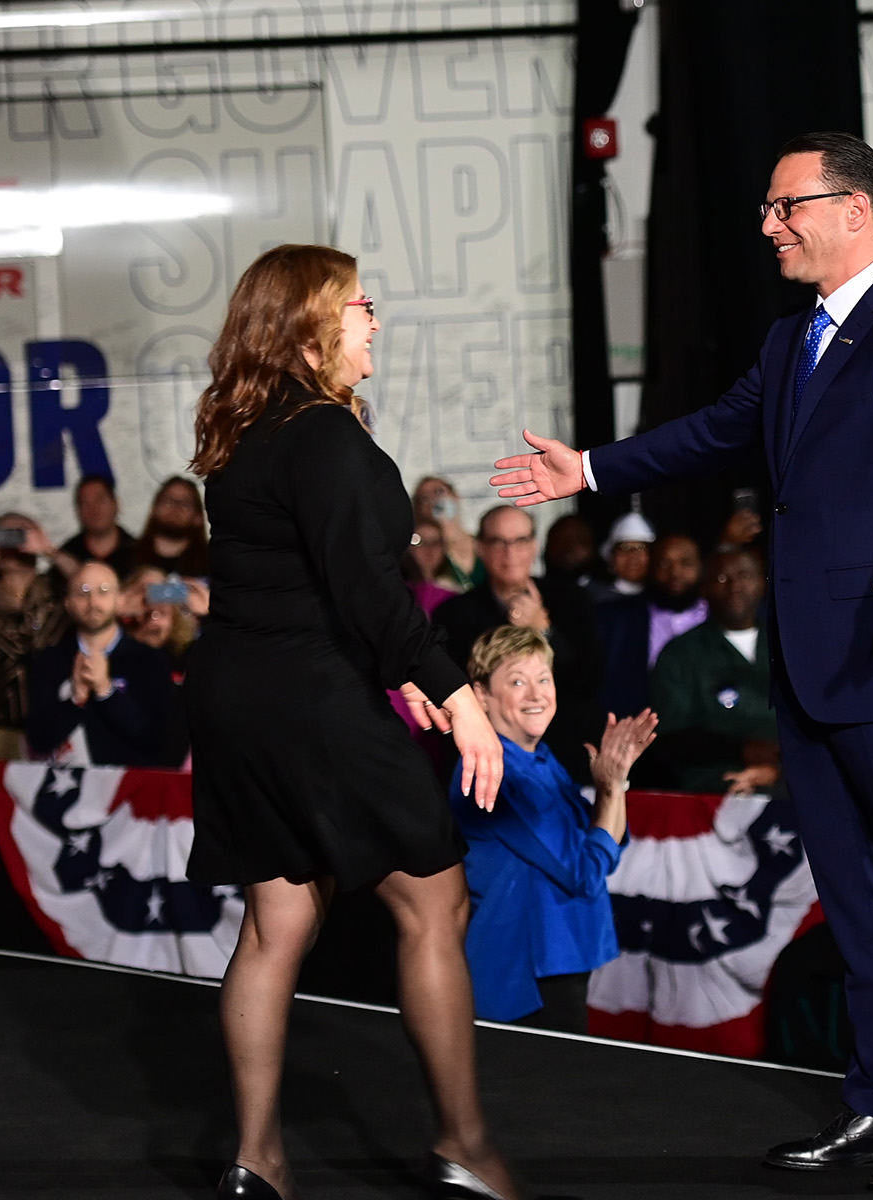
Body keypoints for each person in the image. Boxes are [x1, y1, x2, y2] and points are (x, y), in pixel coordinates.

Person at [490, 132, 873, 1186]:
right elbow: (714, 431)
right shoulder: (787, 342)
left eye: (785, 206)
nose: (768, 225)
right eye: (766, 208)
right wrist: (587, 468)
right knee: (856, 903)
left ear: (854, 209)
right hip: (812, 671)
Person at [183, 245, 521, 1200]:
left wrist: (399, 679)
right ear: (309, 324)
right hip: (305, 694)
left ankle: (258, 1160)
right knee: (434, 899)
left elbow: (306, 583)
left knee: (276, 919)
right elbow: (367, 589)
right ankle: (465, 1145)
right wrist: (458, 698)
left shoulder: (250, 428)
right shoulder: (325, 434)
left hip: (239, 691)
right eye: (360, 303)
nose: (375, 318)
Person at [453, 626, 656, 1031]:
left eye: (543, 679)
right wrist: (610, 792)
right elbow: (587, 868)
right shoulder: (495, 773)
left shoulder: (540, 759)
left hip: (562, 956)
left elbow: (609, 844)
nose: (536, 694)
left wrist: (613, 786)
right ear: (481, 695)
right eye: (516, 681)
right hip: (525, 973)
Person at [434, 505, 604, 782]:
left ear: (534, 546)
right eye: (498, 542)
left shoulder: (572, 599)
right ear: (481, 548)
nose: (510, 552)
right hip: (490, 762)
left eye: (520, 541)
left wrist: (544, 630)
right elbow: (457, 690)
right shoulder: (453, 613)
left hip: (566, 754)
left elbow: (589, 678)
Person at [644, 546, 779, 795]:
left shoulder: (789, 645)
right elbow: (669, 738)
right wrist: (742, 750)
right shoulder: (680, 653)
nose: (734, 586)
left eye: (745, 575)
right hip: (714, 792)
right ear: (704, 588)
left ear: (763, 583)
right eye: (721, 578)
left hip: (790, 786)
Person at [25, 562, 178, 766]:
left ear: (120, 600)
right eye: (83, 592)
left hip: (127, 790)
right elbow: (39, 741)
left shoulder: (150, 660)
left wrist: (106, 691)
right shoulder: (49, 661)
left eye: (104, 591)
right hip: (67, 791)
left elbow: (155, 738)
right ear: (68, 603)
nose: (93, 601)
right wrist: (76, 698)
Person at [0, 514, 71, 764]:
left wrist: (50, 549)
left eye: (20, 534)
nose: (13, 544)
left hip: (53, 718)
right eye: (4, 535)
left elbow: (90, 584)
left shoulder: (56, 588)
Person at [594, 531, 705, 719]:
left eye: (685, 563)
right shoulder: (617, 618)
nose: (674, 573)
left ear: (702, 567)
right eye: (664, 563)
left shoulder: (718, 615)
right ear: (650, 567)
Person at [59, 474, 140, 580]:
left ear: (116, 504)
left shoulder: (139, 553)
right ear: (77, 511)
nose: (94, 510)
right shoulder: (68, 553)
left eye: (100, 500)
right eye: (85, 503)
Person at [412, 475, 483, 593]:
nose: (434, 500)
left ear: (455, 497)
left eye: (439, 491)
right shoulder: (427, 554)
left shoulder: (485, 544)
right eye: (424, 498)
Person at [135, 476, 211, 577]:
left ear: (198, 518)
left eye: (185, 504)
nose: (176, 507)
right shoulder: (125, 558)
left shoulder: (213, 565)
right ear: (154, 508)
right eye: (168, 500)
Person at [599, 510, 655, 597]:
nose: (633, 555)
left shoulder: (665, 600)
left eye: (641, 548)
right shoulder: (594, 599)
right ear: (611, 556)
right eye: (624, 547)